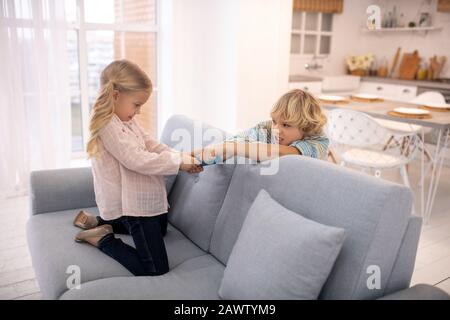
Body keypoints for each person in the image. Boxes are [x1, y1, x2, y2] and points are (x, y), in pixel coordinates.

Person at [73, 59, 202, 276]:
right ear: (115, 96)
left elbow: (150, 143)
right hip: (134, 205)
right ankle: (102, 238)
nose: (139, 111)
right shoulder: (108, 126)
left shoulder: (126, 119)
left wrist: (179, 155)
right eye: (137, 104)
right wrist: (177, 163)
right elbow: (135, 159)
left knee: (161, 229)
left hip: (145, 197)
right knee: (155, 268)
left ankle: (99, 222)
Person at [193, 89, 329, 164]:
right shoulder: (267, 128)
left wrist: (231, 147)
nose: (276, 129)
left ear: (306, 126)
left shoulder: (318, 142)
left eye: (286, 125)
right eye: (274, 121)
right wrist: (188, 158)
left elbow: (282, 152)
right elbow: (233, 142)